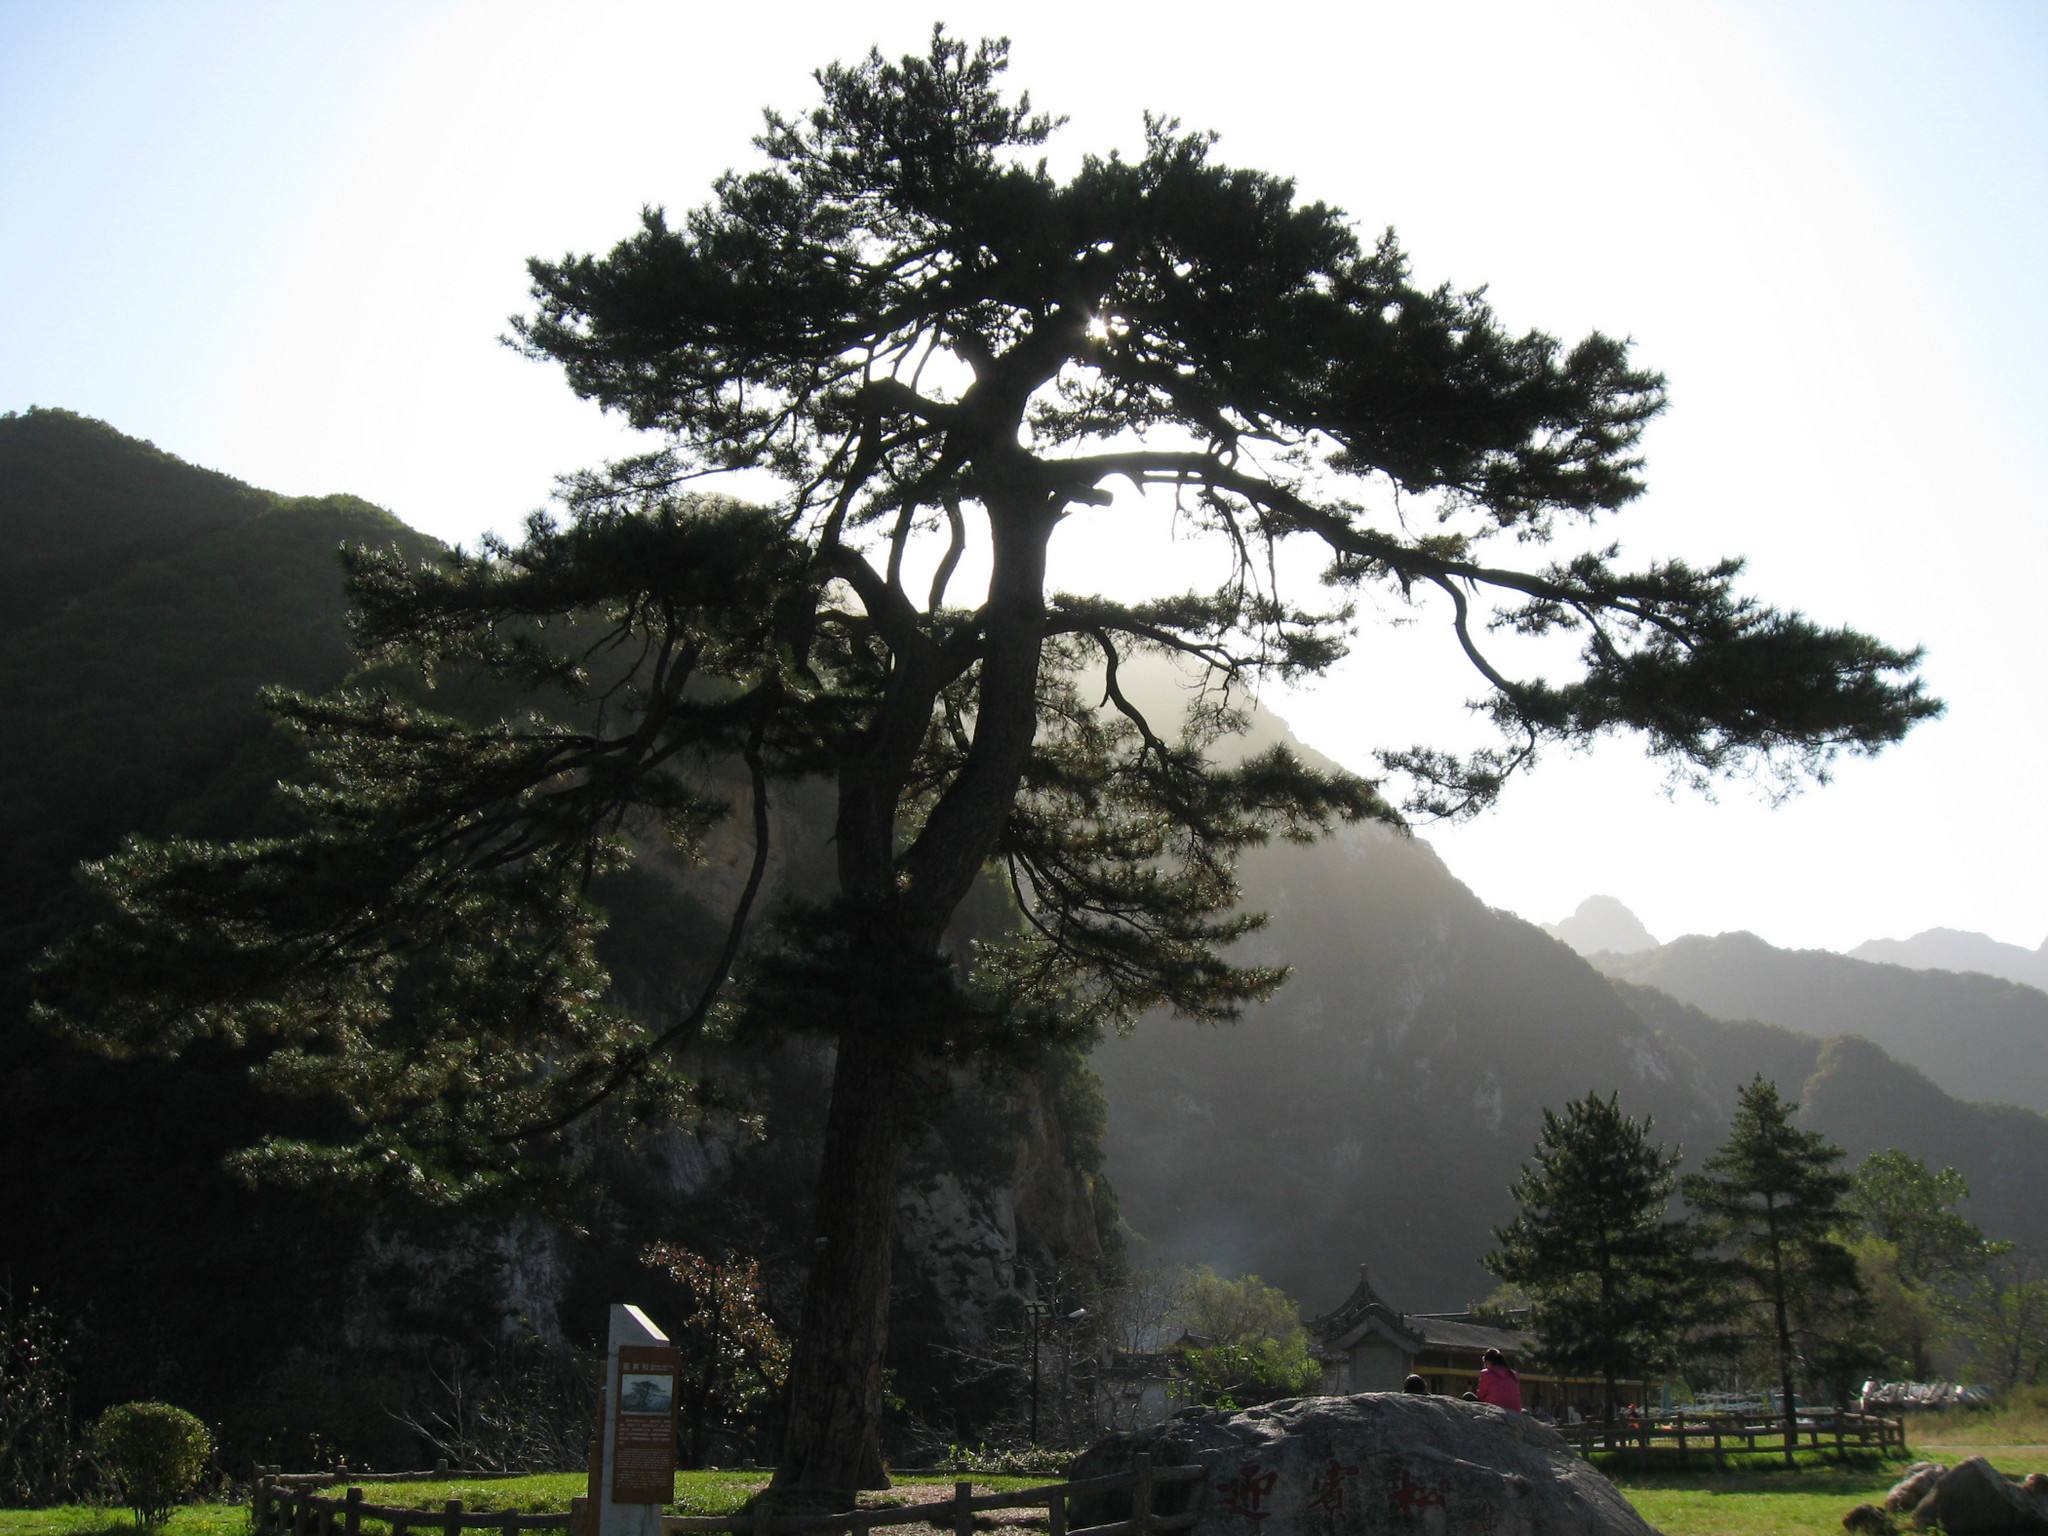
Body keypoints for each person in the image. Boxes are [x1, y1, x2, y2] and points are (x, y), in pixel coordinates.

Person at [1475, 1347, 1523, 1412]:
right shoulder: (1513, 1374)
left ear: (1488, 1362)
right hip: (1515, 1409)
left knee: (1468, 1395)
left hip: (1493, 1408)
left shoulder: (1486, 1373)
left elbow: (1481, 1396)